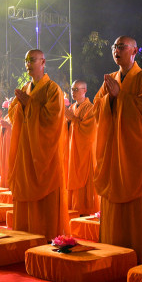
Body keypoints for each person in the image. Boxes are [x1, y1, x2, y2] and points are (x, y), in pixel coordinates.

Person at [93, 36, 142, 263]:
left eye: (122, 46)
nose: (116, 50)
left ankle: (141, 252)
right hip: (115, 154)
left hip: (137, 154)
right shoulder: (110, 79)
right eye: (114, 46)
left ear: (134, 50)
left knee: (138, 206)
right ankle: (113, 249)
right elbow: (97, 110)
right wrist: (111, 100)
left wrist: (120, 97)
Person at [7, 50, 68, 240]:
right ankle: (25, 235)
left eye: (32, 60)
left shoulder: (53, 90)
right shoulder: (26, 88)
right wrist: (22, 106)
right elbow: (14, 116)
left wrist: (30, 105)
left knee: (46, 197)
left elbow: (52, 121)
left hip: (45, 154)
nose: (28, 64)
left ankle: (47, 235)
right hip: (26, 151)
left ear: (43, 62)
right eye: (25, 60)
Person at [65, 80, 99, 215]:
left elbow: (89, 129)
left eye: (76, 89)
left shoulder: (90, 108)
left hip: (85, 151)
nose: (73, 92)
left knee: (85, 180)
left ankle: (86, 208)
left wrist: (72, 118)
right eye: (72, 89)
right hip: (73, 149)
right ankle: (74, 206)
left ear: (84, 90)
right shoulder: (73, 107)